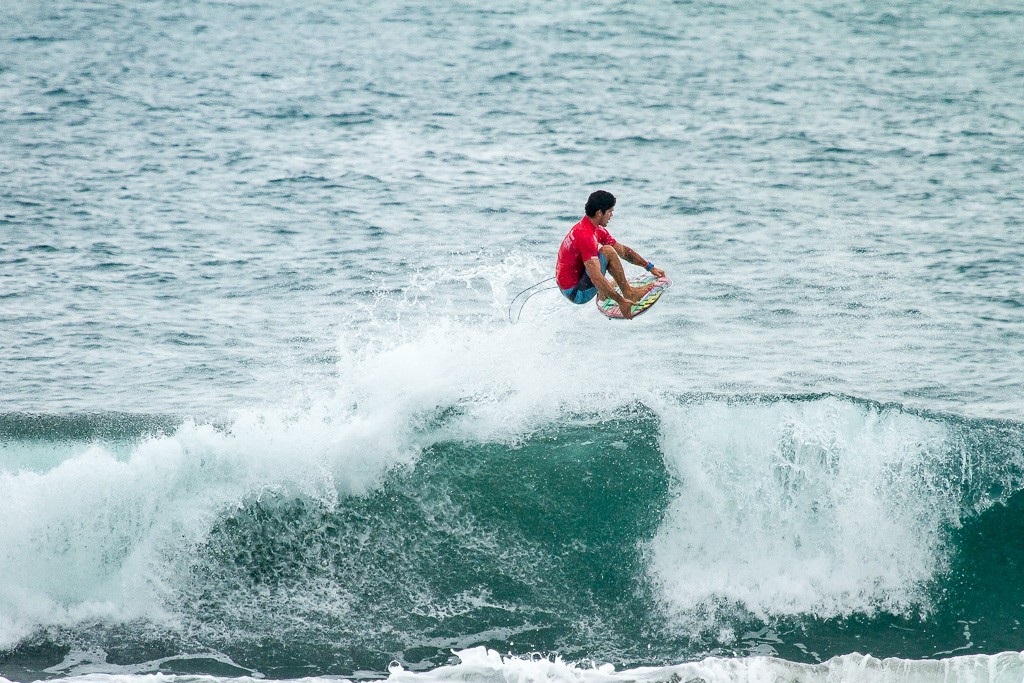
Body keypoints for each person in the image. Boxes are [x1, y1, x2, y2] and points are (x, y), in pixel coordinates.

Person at [555, 190, 666, 320]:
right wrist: (621, 301)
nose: (611, 215)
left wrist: (649, 266)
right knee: (607, 251)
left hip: (570, 284)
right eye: (610, 211)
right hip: (576, 293)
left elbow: (623, 251)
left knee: (607, 254)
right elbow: (595, 277)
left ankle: (605, 291)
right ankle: (628, 293)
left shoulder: (592, 228)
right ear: (599, 213)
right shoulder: (585, 236)